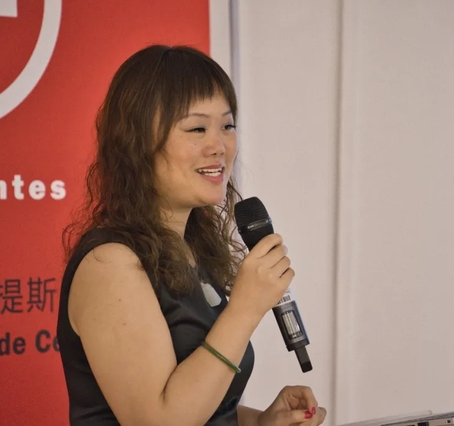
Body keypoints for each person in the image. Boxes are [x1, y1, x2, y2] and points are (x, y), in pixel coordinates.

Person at [57, 44, 327, 426]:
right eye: (197, 128)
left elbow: (203, 407)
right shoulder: (110, 264)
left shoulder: (190, 250)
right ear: (138, 142)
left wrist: (261, 422)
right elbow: (159, 420)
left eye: (227, 126)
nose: (218, 147)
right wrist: (245, 309)